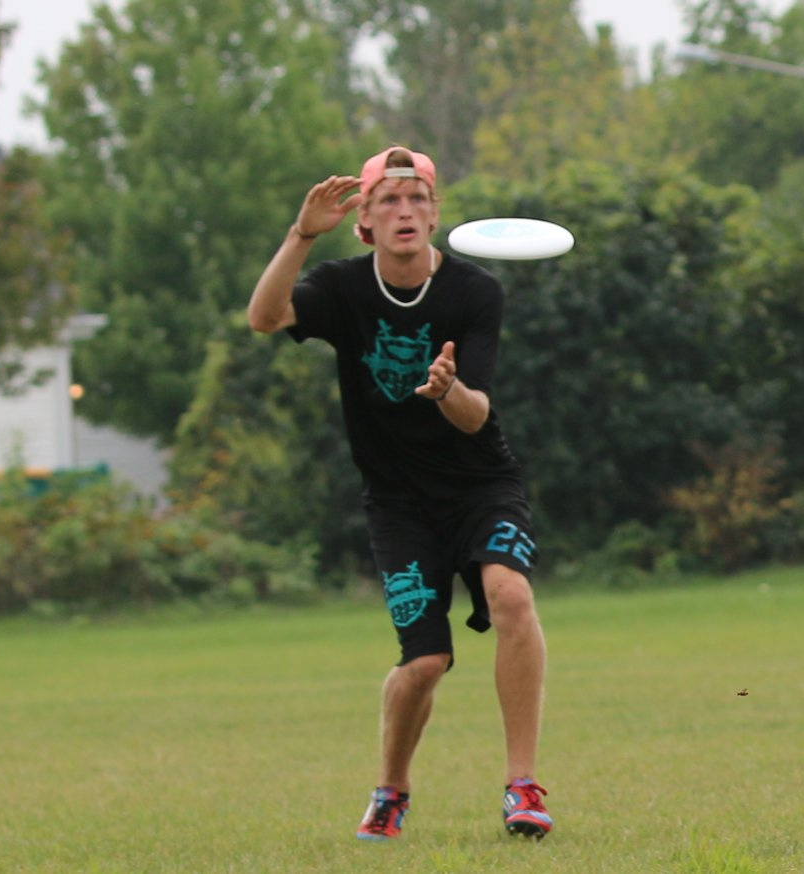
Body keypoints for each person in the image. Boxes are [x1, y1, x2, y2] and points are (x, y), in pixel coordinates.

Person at [248, 146, 551, 841]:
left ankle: (523, 786)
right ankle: (391, 790)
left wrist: (447, 391)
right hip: (398, 505)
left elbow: (476, 415)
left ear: (436, 215)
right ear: (365, 222)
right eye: (388, 199)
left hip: (481, 485)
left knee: (510, 595)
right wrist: (300, 236)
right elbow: (264, 318)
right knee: (424, 663)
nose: (405, 210)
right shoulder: (341, 288)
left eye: (418, 198)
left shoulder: (474, 293)